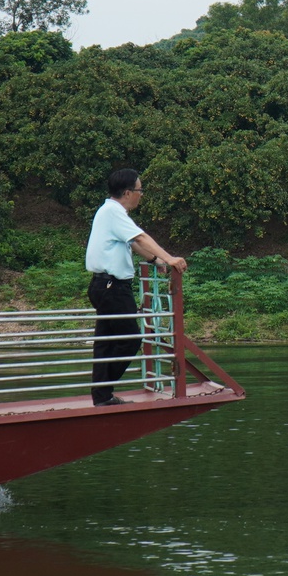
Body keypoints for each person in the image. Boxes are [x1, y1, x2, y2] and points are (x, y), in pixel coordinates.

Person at [86, 168, 185, 406]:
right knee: (129, 340)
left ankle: (102, 395)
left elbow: (131, 242)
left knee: (106, 342)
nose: (142, 195)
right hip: (112, 287)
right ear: (128, 192)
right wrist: (170, 258)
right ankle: (103, 392)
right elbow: (141, 238)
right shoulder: (114, 212)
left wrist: (155, 260)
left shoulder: (107, 211)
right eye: (140, 190)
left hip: (103, 285)